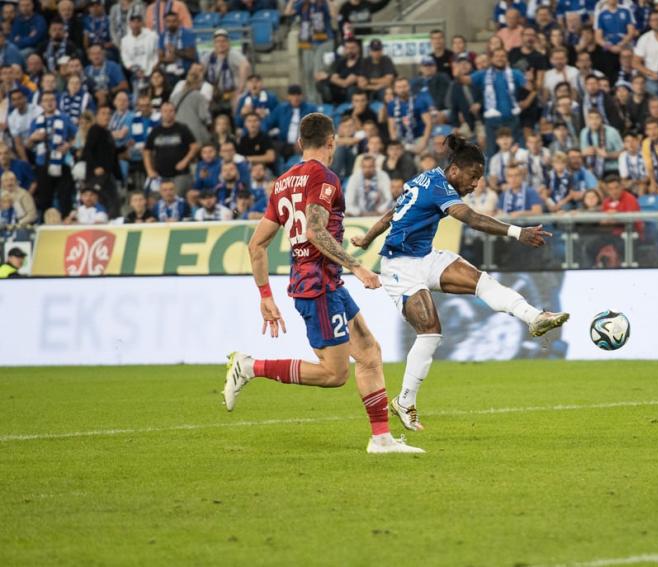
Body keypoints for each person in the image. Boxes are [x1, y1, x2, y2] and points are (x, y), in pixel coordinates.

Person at [223, 112, 423, 454]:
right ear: (332, 142)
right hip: (316, 285)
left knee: (370, 353)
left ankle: (381, 439)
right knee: (335, 374)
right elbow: (316, 230)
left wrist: (265, 295)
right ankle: (250, 366)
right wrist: (357, 267)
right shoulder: (324, 176)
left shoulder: (283, 182)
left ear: (300, 143)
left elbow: (257, 245)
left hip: (323, 282)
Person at [350, 134, 569, 431]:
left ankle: (535, 317)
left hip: (426, 256)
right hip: (400, 266)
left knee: (482, 281)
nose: (475, 183)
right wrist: (519, 233)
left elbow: (391, 214)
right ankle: (405, 401)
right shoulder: (439, 188)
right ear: (454, 170)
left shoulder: (425, 179)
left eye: (479, 178)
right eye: (473, 176)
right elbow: (472, 218)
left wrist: (365, 238)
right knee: (430, 332)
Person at [28, 91, 77, 217]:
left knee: (65, 198)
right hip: (42, 163)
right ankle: (47, 226)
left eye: (52, 100)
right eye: (46, 100)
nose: (49, 102)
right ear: (41, 104)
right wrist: (33, 138)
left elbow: (78, 136)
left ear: (56, 102)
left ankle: (67, 224)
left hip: (62, 163)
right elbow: (28, 145)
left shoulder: (65, 118)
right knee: (45, 199)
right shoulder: (35, 121)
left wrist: (68, 145)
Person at [143, 101, 198, 195]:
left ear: (175, 112)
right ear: (161, 112)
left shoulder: (182, 128)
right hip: (160, 175)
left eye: (171, 111)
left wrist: (185, 161)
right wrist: (149, 170)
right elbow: (147, 151)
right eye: (165, 111)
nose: (168, 114)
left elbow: (194, 146)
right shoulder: (155, 131)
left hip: (181, 174)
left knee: (178, 198)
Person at [82, 105, 122, 218]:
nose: (107, 116)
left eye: (109, 114)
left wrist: (124, 148)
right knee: (100, 200)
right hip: (96, 176)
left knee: (113, 201)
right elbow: (87, 150)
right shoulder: (94, 129)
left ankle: (114, 222)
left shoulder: (107, 132)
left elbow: (110, 154)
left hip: (107, 174)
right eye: (103, 113)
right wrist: (95, 167)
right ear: (97, 116)